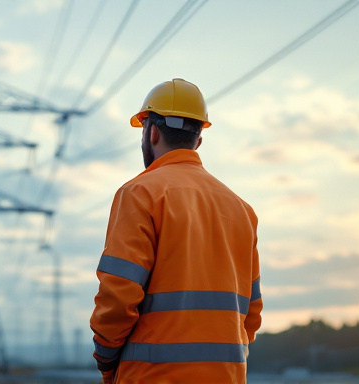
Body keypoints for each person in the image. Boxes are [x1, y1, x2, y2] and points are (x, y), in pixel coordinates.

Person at [89, 79, 262, 384]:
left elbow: (118, 295)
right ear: (198, 140)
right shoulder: (242, 210)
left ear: (151, 132)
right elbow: (252, 312)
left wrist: (105, 361)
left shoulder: (139, 194)